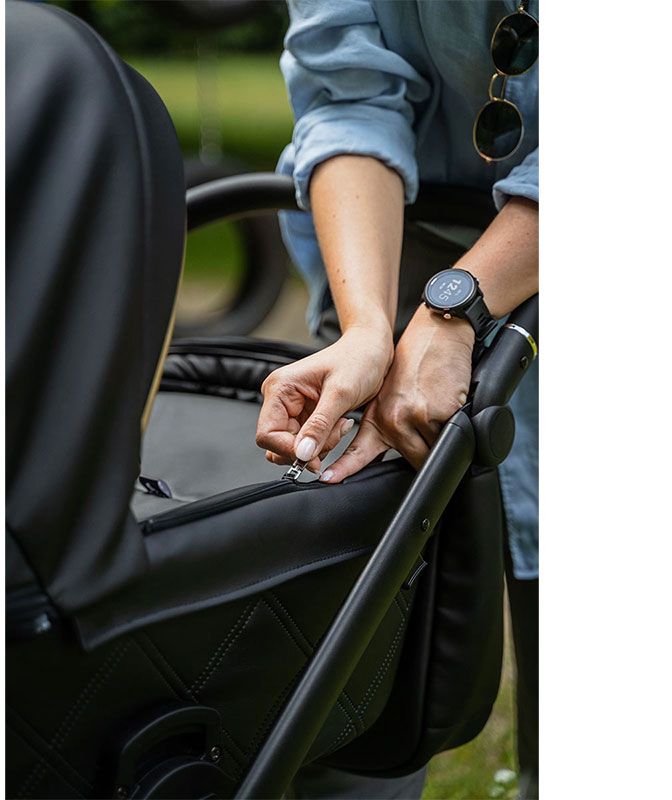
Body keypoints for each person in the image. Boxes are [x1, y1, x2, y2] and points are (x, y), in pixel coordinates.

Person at [256, 2, 539, 798]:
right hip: (389, 243)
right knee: (360, 618)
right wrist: (368, 329)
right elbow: (346, 94)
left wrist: (454, 311)